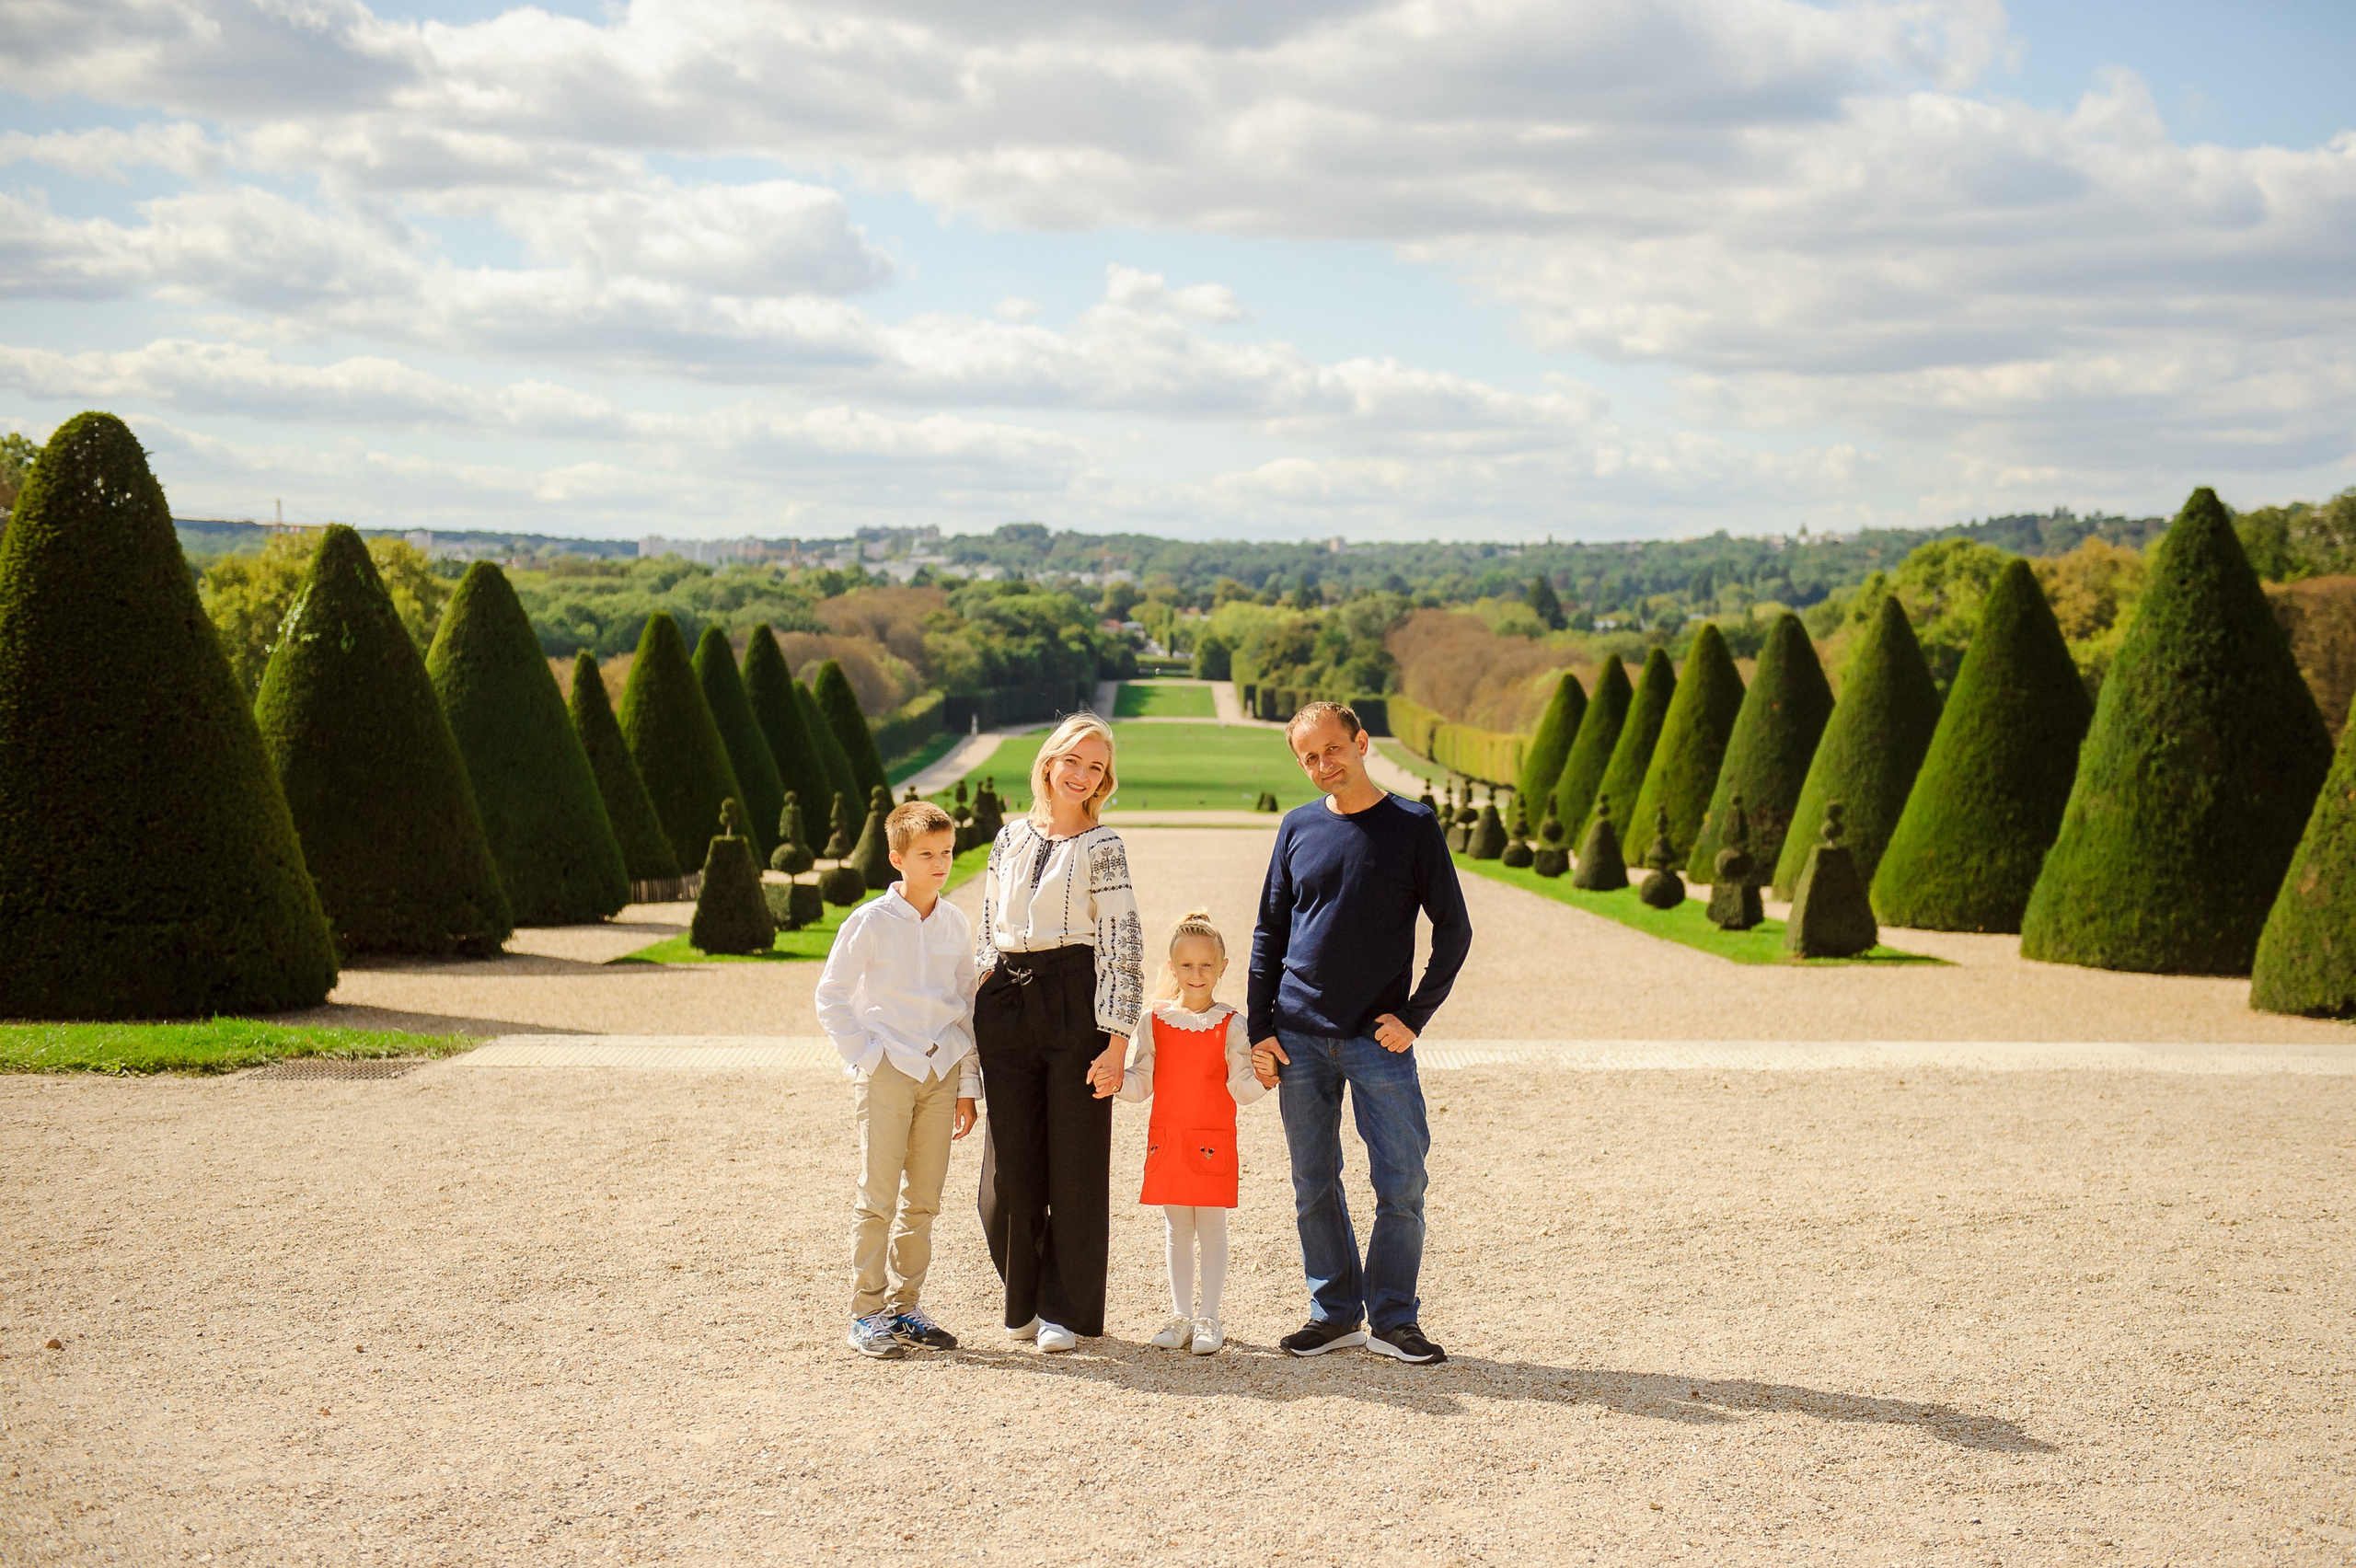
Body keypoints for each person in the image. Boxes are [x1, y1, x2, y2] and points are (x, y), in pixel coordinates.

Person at [1250, 700, 1472, 1365]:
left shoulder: (1412, 825)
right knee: (1313, 1183)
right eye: (1309, 757)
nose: (1323, 765)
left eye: (1332, 750)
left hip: (1378, 1042)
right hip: (1299, 1037)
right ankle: (1335, 1313)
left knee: (1401, 1183)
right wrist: (1262, 1028)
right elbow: (1269, 934)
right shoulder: (1296, 828)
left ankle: (1395, 1319)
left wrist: (1415, 1016)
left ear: (1361, 742)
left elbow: (1453, 930)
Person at [973, 712, 1143, 1353]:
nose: (1082, 774)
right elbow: (987, 931)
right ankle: (1025, 1296)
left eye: (1096, 767)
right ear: (1049, 761)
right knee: (1005, 1177)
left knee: (1074, 1164)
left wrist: (1117, 1041)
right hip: (1006, 998)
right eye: (1073, 759)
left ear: (1104, 780)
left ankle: (1063, 1313)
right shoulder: (1006, 839)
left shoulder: (1105, 847)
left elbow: (1124, 947)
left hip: (1076, 999)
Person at [813, 800, 980, 1360]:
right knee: (878, 1197)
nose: (940, 864)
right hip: (887, 1070)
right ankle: (866, 1312)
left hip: (941, 1071)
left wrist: (965, 1086)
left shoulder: (957, 923)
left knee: (924, 1200)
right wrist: (865, 1056)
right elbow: (831, 996)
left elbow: (965, 1008)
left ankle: (907, 1307)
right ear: (897, 858)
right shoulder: (869, 922)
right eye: (927, 855)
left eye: (947, 853)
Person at [1114, 910, 1267, 1355]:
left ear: (1222, 967)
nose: (1196, 974)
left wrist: (1269, 1078)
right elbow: (1142, 1081)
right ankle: (1181, 1314)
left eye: (1205, 965)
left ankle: (1210, 1318)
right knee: (1177, 1228)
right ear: (1172, 967)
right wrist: (1115, 1083)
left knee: (1212, 1227)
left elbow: (1240, 1087)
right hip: (1169, 1139)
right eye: (1186, 966)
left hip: (1212, 1141)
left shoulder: (1232, 1024)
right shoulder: (1153, 1021)